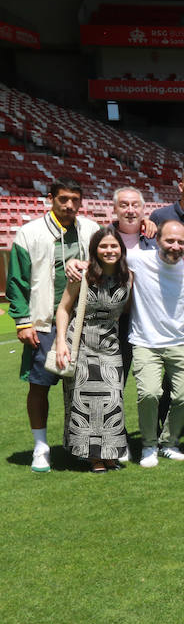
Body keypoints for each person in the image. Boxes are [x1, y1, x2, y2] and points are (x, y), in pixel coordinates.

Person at [8, 178, 101, 472]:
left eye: (75, 199)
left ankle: (81, 443)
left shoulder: (91, 229)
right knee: (39, 386)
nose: (70, 205)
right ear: (51, 198)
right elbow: (17, 282)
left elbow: (107, 262)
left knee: (85, 389)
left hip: (85, 322)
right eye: (63, 199)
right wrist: (23, 322)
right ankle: (40, 446)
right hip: (44, 322)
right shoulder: (29, 232)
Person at [51, 226, 131, 471]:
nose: (109, 250)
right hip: (82, 342)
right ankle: (93, 457)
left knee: (112, 399)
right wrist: (61, 342)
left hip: (110, 344)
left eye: (113, 246)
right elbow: (64, 308)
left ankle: (110, 452)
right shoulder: (83, 275)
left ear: (121, 249)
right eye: (103, 246)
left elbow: (126, 311)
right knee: (83, 401)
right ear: (95, 250)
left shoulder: (129, 277)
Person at [127, 220, 184, 467]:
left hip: (180, 342)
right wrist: (78, 262)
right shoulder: (139, 259)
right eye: (170, 240)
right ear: (157, 240)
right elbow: (104, 253)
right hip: (145, 342)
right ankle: (149, 446)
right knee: (149, 393)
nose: (176, 246)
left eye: (181, 242)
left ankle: (169, 443)